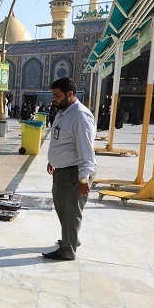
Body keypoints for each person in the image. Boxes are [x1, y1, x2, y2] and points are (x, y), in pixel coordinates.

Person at [44, 77, 96, 261]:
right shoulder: (64, 111)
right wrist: (53, 161)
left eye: (57, 95)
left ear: (70, 94)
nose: (54, 99)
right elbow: (60, 139)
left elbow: (86, 151)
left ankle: (68, 250)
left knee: (71, 212)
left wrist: (84, 179)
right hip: (62, 171)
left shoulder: (80, 116)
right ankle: (71, 238)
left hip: (74, 173)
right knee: (63, 209)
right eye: (53, 95)